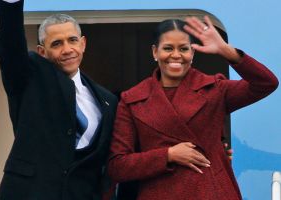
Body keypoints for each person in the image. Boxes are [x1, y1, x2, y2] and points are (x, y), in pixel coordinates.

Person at [107, 16, 278, 200]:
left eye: (183, 49)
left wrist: (226, 51)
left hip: (212, 193)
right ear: (155, 52)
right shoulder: (132, 99)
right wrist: (169, 155)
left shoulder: (215, 89)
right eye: (168, 48)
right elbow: (118, 167)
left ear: (192, 53)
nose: (176, 55)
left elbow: (266, 83)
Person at [0, 0, 117, 199]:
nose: (67, 49)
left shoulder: (108, 100)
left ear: (83, 43)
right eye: (57, 44)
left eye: (72, 40)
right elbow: (10, 46)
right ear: (42, 52)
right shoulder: (29, 77)